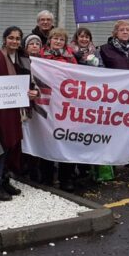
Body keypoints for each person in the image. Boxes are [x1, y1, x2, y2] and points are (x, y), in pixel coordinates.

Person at [0, 26, 39, 200]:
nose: (14, 41)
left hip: (17, 110)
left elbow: (30, 82)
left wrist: (34, 92)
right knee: (1, 145)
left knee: (13, 145)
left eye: (18, 38)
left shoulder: (24, 58)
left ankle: (5, 179)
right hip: (0, 112)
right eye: (11, 38)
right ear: (5, 39)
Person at [99, 20, 129, 169]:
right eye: (122, 30)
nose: (125, 32)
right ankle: (111, 158)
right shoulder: (105, 49)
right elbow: (101, 69)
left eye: (128, 29)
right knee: (113, 126)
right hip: (114, 96)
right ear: (115, 33)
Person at [37, 28, 79, 191]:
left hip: (65, 104)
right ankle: (46, 177)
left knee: (66, 140)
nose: (58, 42)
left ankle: (66, 178)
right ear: (50, 40)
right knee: (46, 139)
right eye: (55, 38)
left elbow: (77, 77)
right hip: (46, 103)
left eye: (61, 39)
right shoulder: (40, 56)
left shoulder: (70, 57)